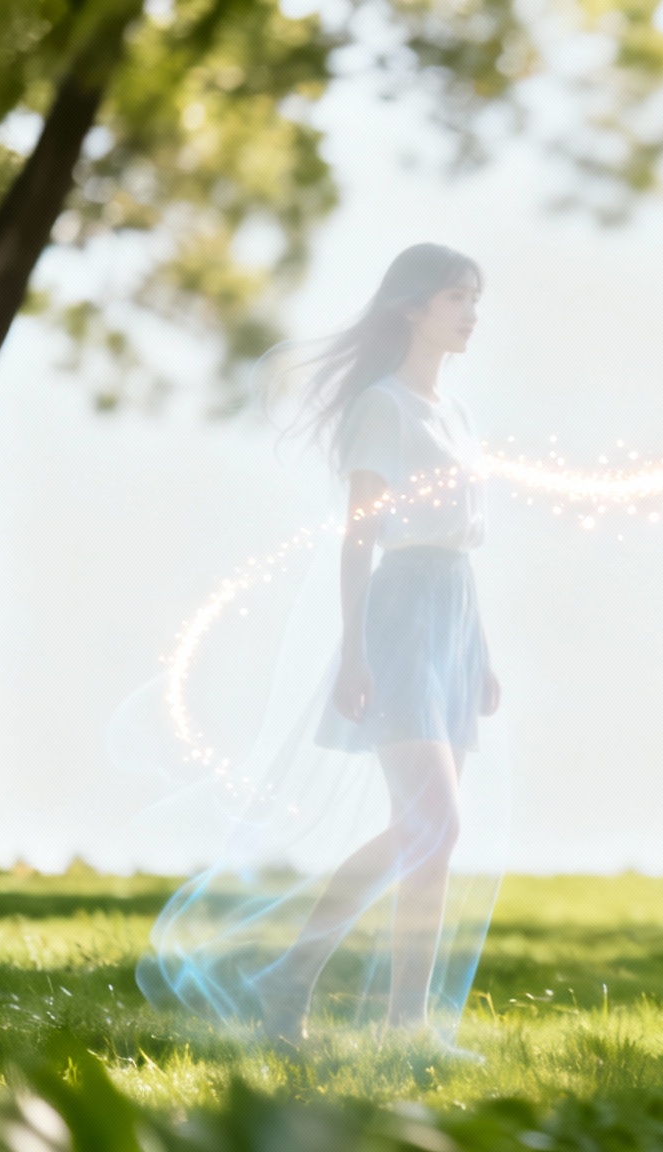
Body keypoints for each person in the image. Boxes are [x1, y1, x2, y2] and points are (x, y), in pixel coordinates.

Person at [137, 243, 506, 1058]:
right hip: (403, 612)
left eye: (475, 298)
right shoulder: (384, 408)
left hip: (454, 611)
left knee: (431, 840)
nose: (471, 312)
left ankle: (406, 1028)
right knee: (432, 825)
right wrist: (355, 653)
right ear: (412, 308)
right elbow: (359, 538)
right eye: (455, 298)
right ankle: (292, 976)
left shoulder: (456, 412)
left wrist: (478, 652)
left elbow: (462, 544)